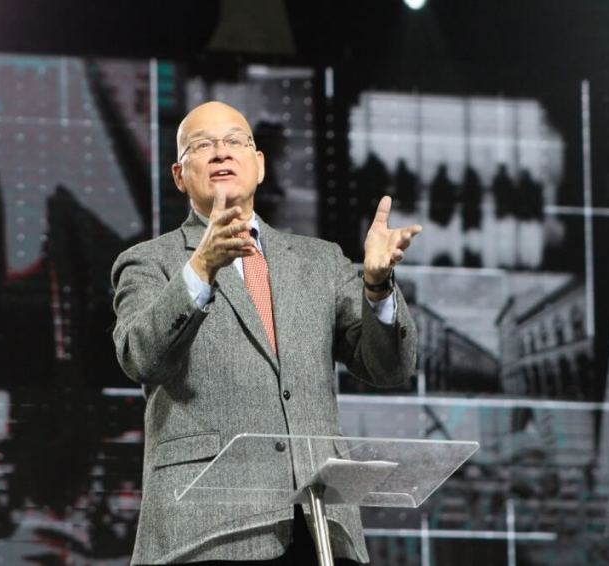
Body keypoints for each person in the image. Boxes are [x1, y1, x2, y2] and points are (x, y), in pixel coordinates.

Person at [111, 101, 421, 565]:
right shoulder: (148, 262)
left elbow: (389, 367)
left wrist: (376, 285)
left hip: (319, 530)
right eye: (202, 145)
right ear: (179, 175)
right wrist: (201, 267)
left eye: (235, 141)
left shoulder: (319, 261)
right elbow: (141, 357)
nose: (220, 153)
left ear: (259, 164)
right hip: (204, 533)